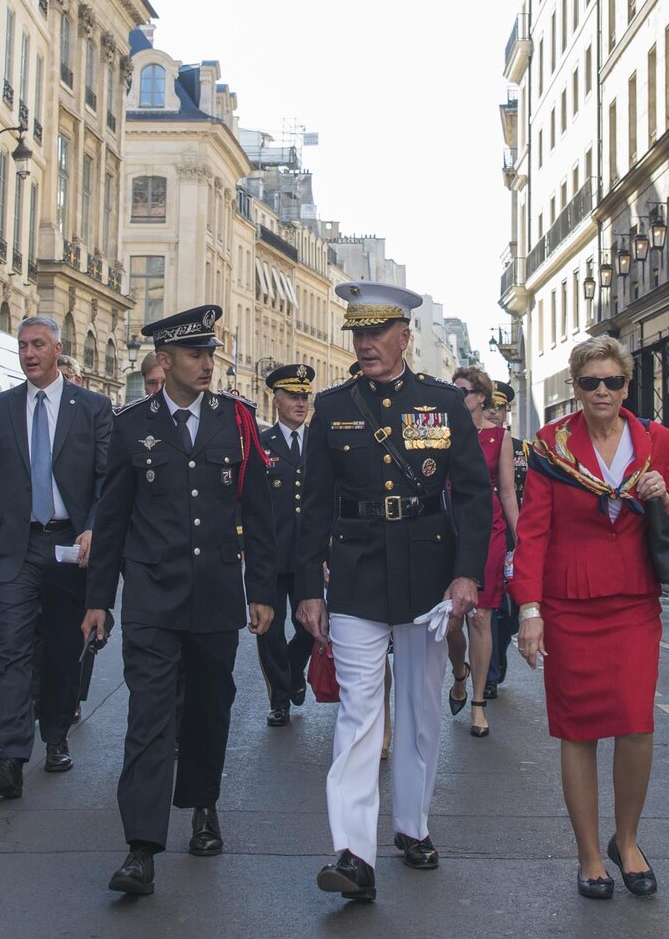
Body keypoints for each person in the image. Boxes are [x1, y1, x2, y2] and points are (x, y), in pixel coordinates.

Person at [294, 282, 492, 904]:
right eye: (358, 333)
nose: (366, 344)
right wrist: (308, 588)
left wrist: (466, 574)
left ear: (405, 337)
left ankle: (412, 825)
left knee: (420, 709)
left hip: (428, 575)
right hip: (354, 573)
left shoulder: (440, 404)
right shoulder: (331, 407)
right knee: (358, 715)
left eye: (378, 332)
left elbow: (473, 495)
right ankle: (352, 853)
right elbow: (313, 507)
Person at [81, 305, 277, 896]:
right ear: (164, 363)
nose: (208, 364)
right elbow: (111, 518)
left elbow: (259, 513)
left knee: (208, 710)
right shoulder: (129, 425)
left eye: (211, 354)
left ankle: (202, 805)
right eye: (196, 355)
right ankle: (141, 846)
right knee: (148, 717)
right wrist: (99, 600)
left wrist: (263, 591)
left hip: (216, 594)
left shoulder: (236, 421)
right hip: (152, 595)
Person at [512, 336, 669, 901]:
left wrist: (663, 491)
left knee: (637, 724)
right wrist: (530, 610)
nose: (603, 392)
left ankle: (628, 840)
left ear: (627, 386)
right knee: (578, 730)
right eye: (591, 383)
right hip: (569, 601)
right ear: (576, 388)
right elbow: (534, 531)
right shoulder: (550, 444)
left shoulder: (653, 438)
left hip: (634, 599)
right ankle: (590, 854)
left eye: (613, 381)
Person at [0, 316, 114, 799]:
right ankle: (8, 756)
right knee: (13, 650)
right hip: (14, 549)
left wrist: (93, 527)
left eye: (38, 344)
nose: (28, 353)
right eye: (23, 345)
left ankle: (56, 736)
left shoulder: (92, 408)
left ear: (57, 349)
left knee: (63, 650)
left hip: (69, 546)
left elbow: (109, 480)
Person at [445, 366, 522, 738]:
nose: (457, 398)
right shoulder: (439, 435)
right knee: (450, 621)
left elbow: (507, 492)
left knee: (481, 616)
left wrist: (521, 541)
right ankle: (459, 673)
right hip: (446, 528)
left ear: (479, 397)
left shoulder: (498, 438)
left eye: (462, 392)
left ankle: (477, 702)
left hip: (488, 529)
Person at [258, 363, 318, 726]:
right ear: (276, 400)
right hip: (271, 551)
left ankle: (294, 671)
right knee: (270, 627)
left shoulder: (319, 443)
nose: (301, 403)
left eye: (305, 397)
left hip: (308, 554)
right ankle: (280, 698)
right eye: (293, 397)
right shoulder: (262, 444)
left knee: (312, 626)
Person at [485, 380, 523, 698]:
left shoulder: (523, 449)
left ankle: (500, 654)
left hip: (516, 533)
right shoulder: (479, 442)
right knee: (491, 605)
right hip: (491, 530)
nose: (493, 413)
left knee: (511, 612)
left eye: (498, 407)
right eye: (488, 407)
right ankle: (490, 671)